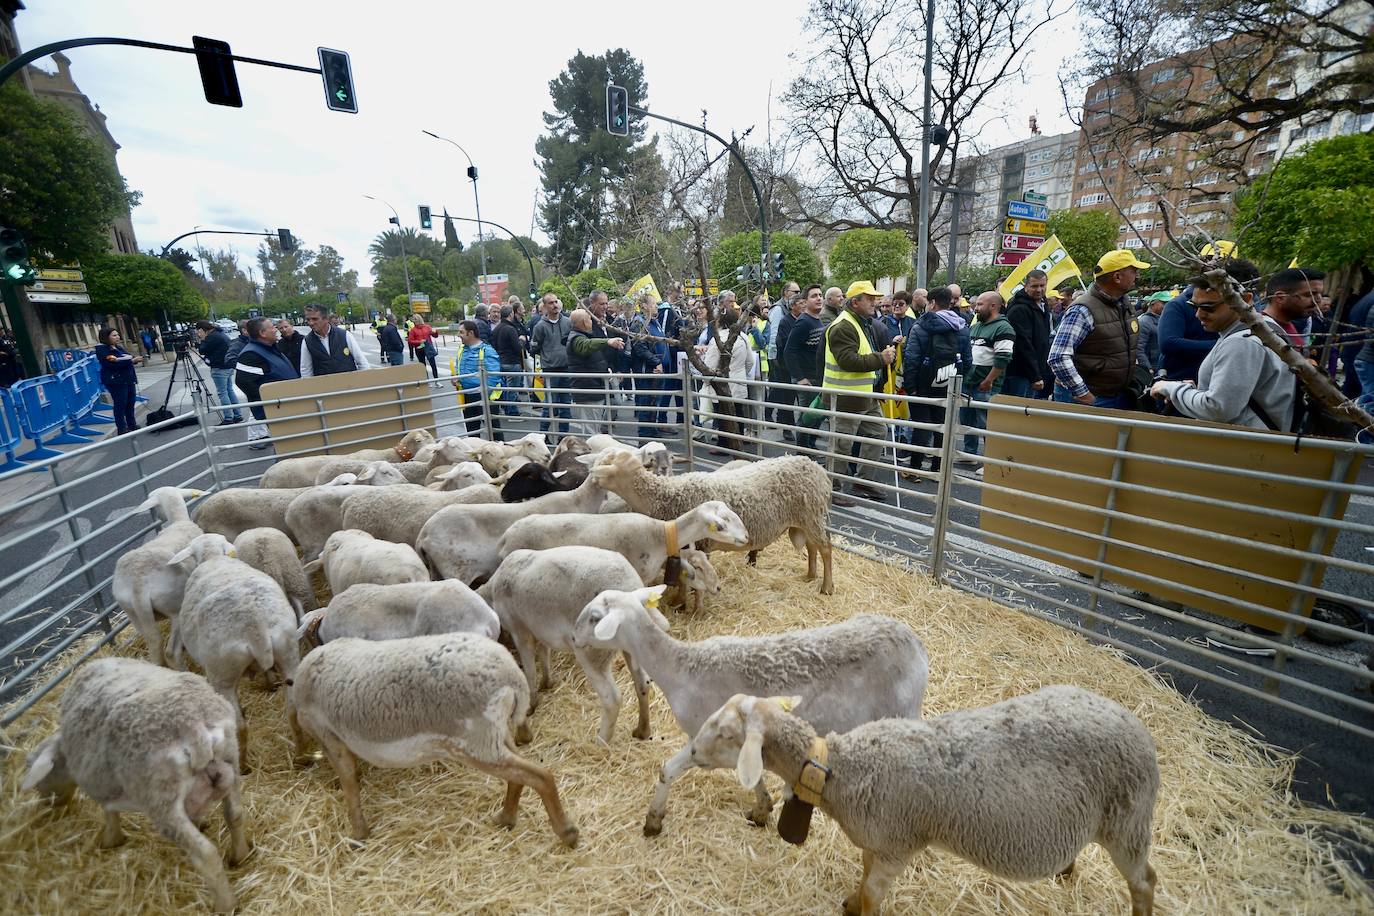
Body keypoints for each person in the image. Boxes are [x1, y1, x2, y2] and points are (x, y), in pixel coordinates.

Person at [1150, 259, 1295, 430]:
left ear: (1245, 299)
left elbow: (1218, 409)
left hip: (1245, 447)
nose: (1198, 314)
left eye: (1208, 307)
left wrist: (1171, 388)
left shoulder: (1241, 342)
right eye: (1194, 306)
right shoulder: (1263, 327)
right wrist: (1194, 391)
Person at [823, 280, 896, 504]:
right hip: (845, 396)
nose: (875, 303)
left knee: (877, 431)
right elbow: (848, 361)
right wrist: (881, 358)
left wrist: (879, 357)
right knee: (841, 444)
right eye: (870, 299)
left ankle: (863, 480)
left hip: (864, 394)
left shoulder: (861, 322)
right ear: (855, 303)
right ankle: (832, 489)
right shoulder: (843, 325)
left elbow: (860, 354)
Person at [1049, 250, 1148, 409]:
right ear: (1117, 277)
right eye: (1134, 271)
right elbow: (1058, 357)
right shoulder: (1083, 310)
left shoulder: (1123, 304)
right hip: (1089, 398)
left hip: (1115, 394)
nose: (1137, 276)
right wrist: (1083, 394)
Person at [903, 286, 972, 473]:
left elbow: (911, 358)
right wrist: (957, 381)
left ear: (932, 303)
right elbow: (967, 360)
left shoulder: (920, 325)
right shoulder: (961, 326)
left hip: (923, 384)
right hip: (948, 385)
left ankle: (914, 469)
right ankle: (937, 469)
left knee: (921, 427)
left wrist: (911, 386)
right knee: (943, 428)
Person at [961, 291, 1015, 461]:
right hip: (969, 382)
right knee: (967, 420)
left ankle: (989, 460)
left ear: (993, 306)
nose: (975, 308)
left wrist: (989, 380)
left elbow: (1003, 358)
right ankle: (969, 454)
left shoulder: (1003, 328)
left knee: (986, 424)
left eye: (979, 304)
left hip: (985, 384)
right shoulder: (975, 326)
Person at [234, 316, 300, 450]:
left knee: (292, 445)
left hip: (287, 407)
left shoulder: (269, 348)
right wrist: (270, 405)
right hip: (278, 410)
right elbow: (244, 382)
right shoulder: (251, 354)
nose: (276, 329)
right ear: (262, 333)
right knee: (287, 447)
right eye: (272, 327)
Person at [566, 307, 625, 436]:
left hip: (593, 387)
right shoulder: (576, 338)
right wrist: (608, 341)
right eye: (589, 319)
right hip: (587, 389)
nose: (592, 322)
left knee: (594, 427)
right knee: (591, 430)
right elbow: (586, 345)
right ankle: (592, 454)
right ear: (583, 323)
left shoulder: (582, 336)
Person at [785, 284, 827, 453]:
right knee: (807, 417)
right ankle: (802, 454)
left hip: (817, 378)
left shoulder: (817, 320)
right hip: (807, 379)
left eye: (820, 295)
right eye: (814, 296)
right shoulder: (803, 322)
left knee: (817, 416)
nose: (818, 298)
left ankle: (810, 449)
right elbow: (789, 351)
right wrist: (800, 377)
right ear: (804, 301)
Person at [1003, 269, 1053, 399]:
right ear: (1026, 286)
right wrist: (1035, 375)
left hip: (1036, 371)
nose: (1039, 290)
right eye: (1034, 286)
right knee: (1017, 415)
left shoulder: (1043, 304)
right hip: (1020, 373)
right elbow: (1023, 345)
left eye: (1042, 286)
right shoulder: (1018, 309)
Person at [530, 292, 573, 439]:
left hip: (566, 368)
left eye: (556, 302)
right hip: (550, 369)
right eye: (551, 303)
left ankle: (563, 436)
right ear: (545, 306)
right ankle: (543, 434)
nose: (555, 305)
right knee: (550, 404)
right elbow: (534, 347)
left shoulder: (568, 322)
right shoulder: (540, 326)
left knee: (566, 405)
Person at [452, 319, 504, 439]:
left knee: (493, 430)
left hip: (485, 397)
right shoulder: (461, 350)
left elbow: (494, 375)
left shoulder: (487, 350)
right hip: (468, 396)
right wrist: (456, 378)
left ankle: (500, 454)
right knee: (472, 431)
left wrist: (484, 393)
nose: (458, 335)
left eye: (461, 332)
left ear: (470, 333)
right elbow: (458, 368)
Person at [93, 327, 143, 435]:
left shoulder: (118, 347)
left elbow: (128, 357)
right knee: (121, 404)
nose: (117, 337)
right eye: (114, 335)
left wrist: (134, 359)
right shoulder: (102, 350)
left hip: (128, 379)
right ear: (106, 337)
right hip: (116, 380)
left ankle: (132, 424)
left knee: (130, 402)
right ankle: (122, 428)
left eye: (117, 335)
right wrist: (131, 361)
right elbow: (112, 364)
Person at [194, 320, 243, 425]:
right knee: (229, 390)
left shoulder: (212, 337)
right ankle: (237, 414)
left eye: (198, 331)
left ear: (202, 329)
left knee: (223, 393)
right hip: (227, 366)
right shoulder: (220, 333)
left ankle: (228, 417)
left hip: (219, 367)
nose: (198, 333)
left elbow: (202, 350)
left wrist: (202, 339)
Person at [299, 304, 370, 377]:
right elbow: (306, 371)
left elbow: (362, 362)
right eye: (308, 319)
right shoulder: (307, 341)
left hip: (349, 385)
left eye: (315, 319)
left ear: (326, 319)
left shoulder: (344, 335)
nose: (311, 323)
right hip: (324, 386)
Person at [1263, 267, 1322, 350]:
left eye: (1320, 294)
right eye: (1309, 295)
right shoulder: (1258, 335)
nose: (1318, 301)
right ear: (1280, 298)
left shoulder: (1287, 327)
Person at [491, 304, 527, 420]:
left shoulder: (496, 329)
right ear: (511, 314)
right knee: (512, 388)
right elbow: (517, 348)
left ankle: (507, 409)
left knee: (504, 388)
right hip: (512, 362)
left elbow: (494, 345)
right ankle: (512, 412)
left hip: (500, 361)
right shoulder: (510, 329)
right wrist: (521, 340)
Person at [409, 314, 439, 380]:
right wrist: (419, 341)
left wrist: (435, 332)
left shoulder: (427, 327)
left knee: (433, 365)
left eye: (415, 320)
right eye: (413, 320)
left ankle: (437, 380)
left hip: (428, 348)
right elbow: (410, 341)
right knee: (423, 366)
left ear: (419, 319)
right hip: (419, 349)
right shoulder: (413, 330)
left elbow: (435, 335)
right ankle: (426, 380)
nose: (414, 322)